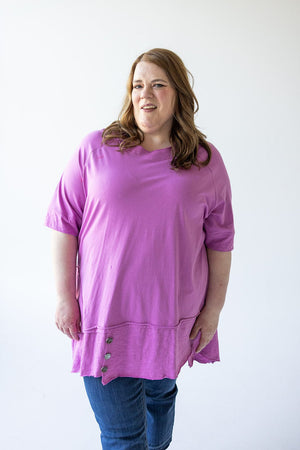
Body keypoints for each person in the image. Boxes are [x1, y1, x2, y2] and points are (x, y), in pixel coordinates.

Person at [45, 48, 234, 450]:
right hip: (105, 319)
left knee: (160, 406)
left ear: (179, 93)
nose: (145, 94)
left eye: (158, 84)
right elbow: (64, 223)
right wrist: (64, 298)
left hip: (172, 323)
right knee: (125, 440)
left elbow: (220, 242)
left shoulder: (205, 162)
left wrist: (213, 310)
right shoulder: (97, 149)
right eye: (137, 85)